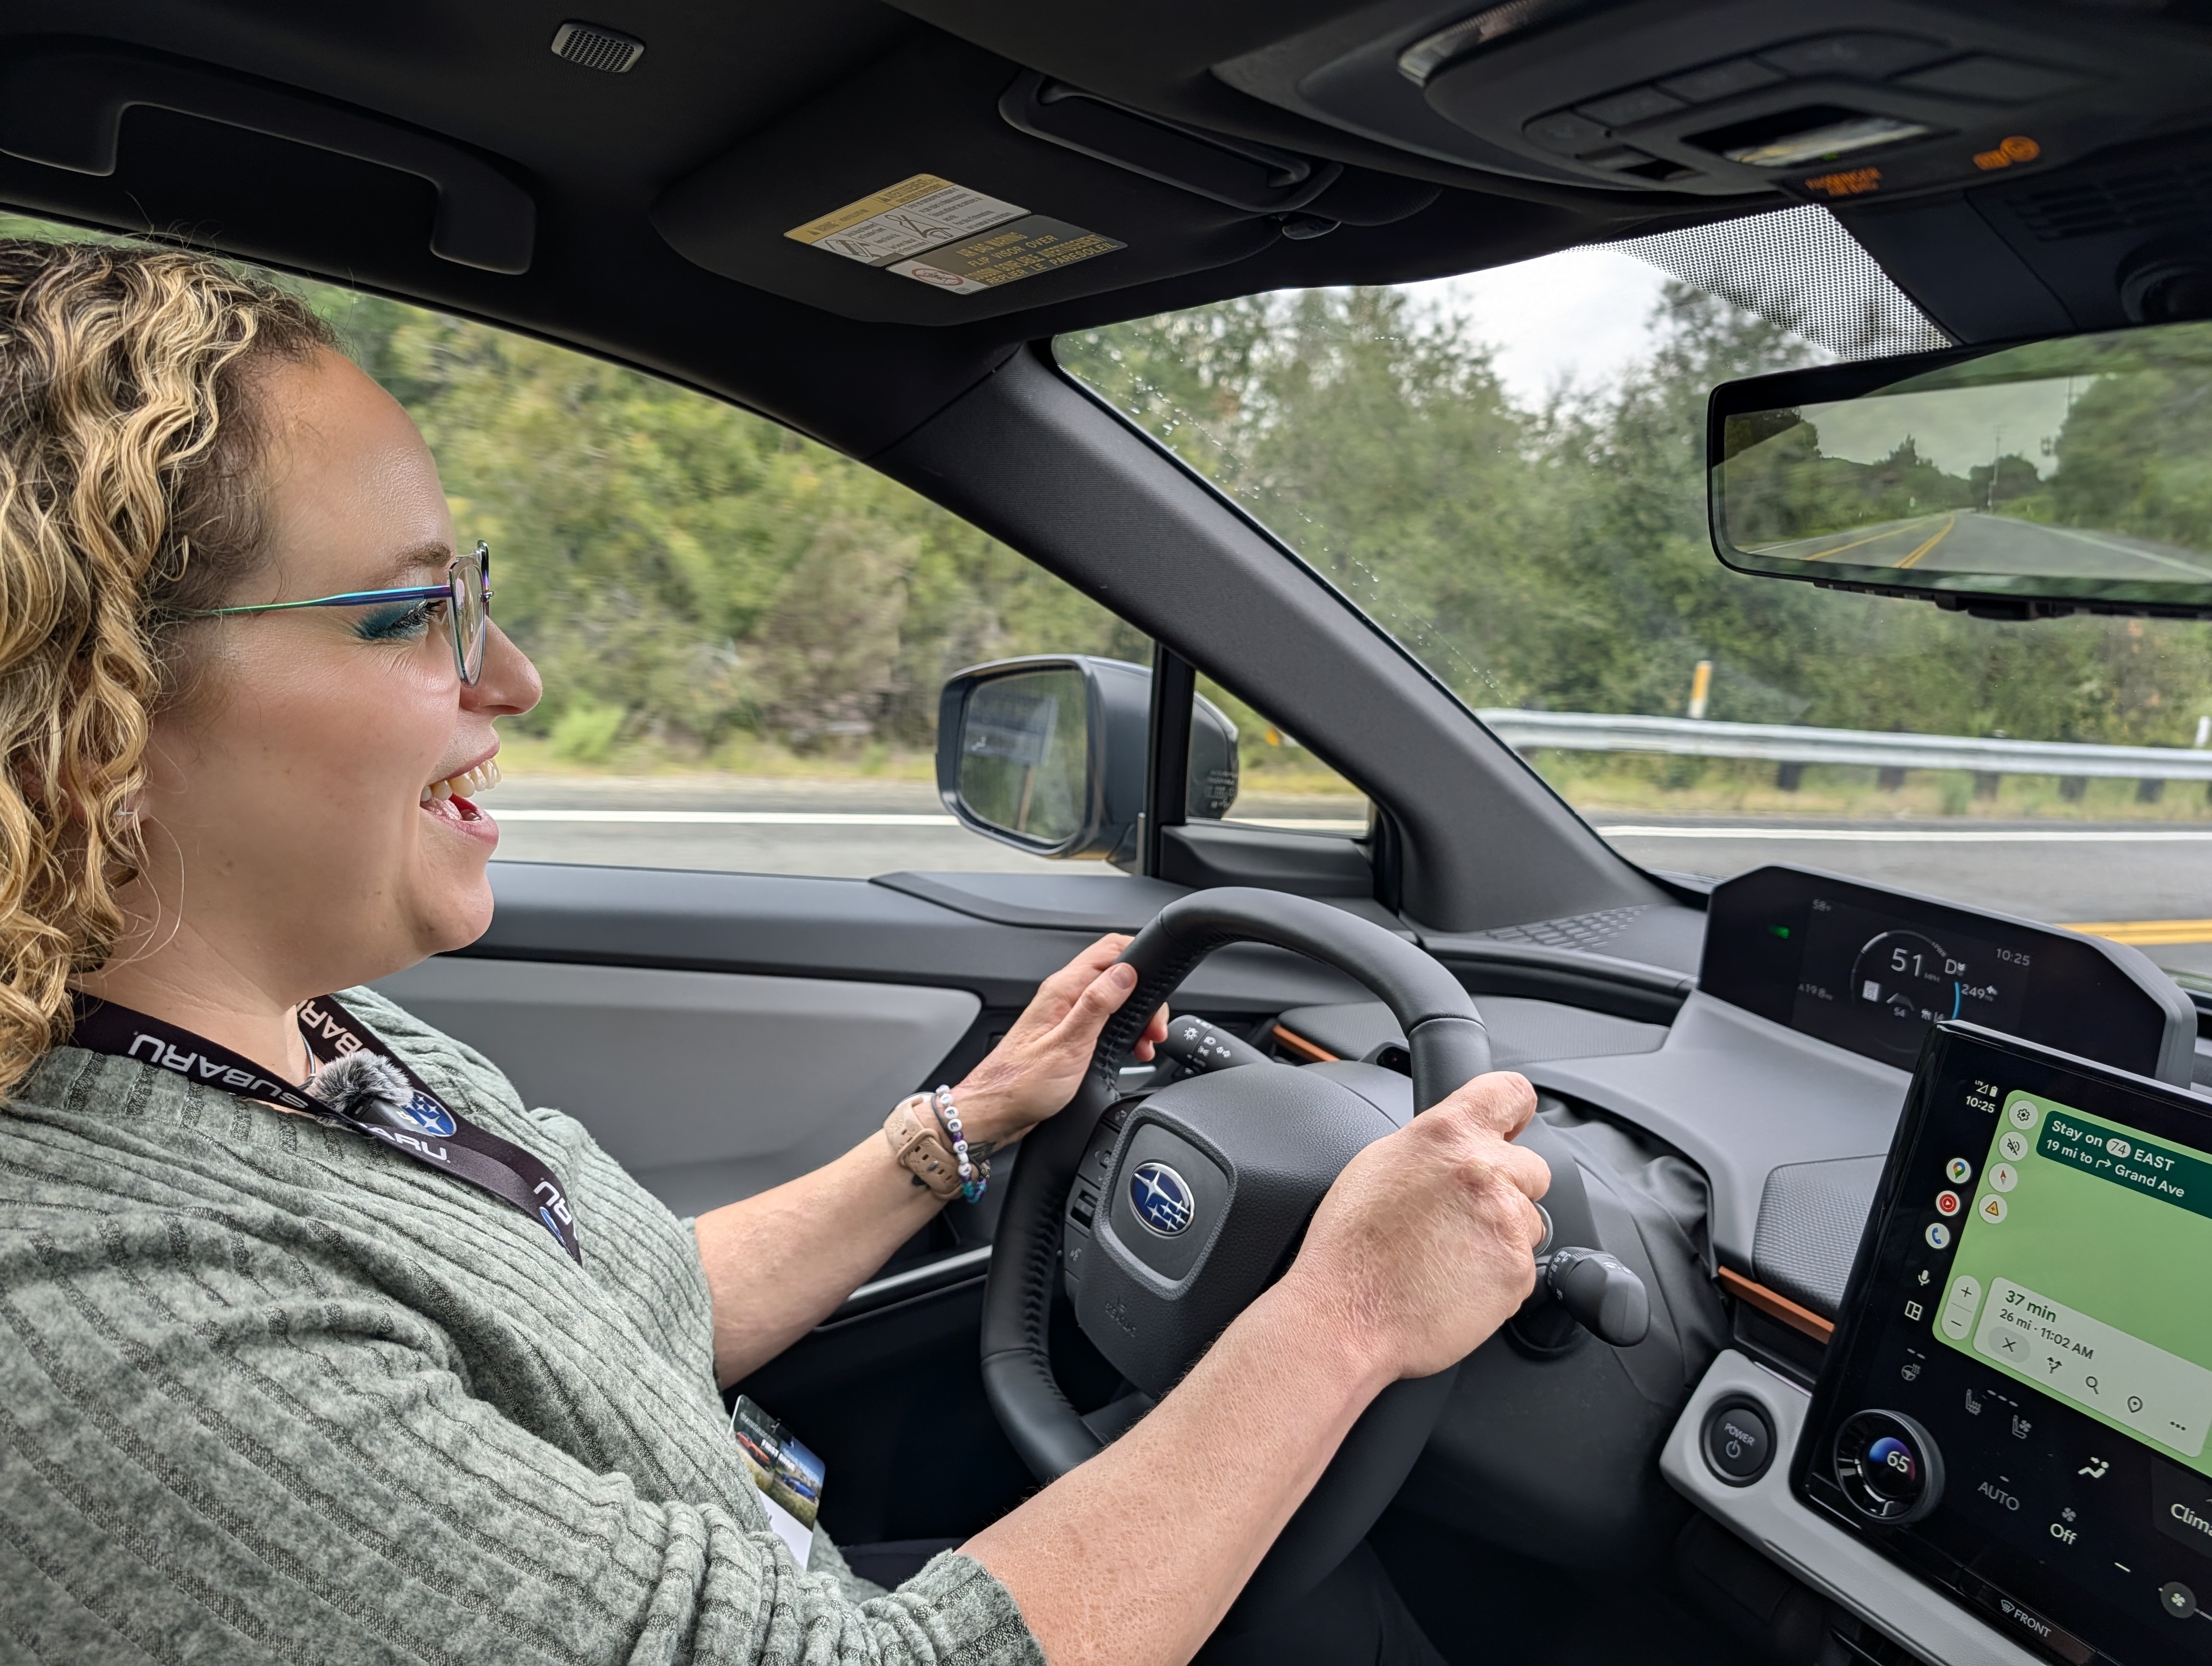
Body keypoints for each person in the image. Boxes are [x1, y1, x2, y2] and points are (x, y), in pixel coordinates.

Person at [0, 240, 1552, 1666]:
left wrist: (959, 1130)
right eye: (412, 613)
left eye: (475, 598)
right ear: (96, 711)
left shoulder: (305, 1035)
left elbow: (613, 1314)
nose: (518, 679)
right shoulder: (112, 1326)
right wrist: (1345, 1316)